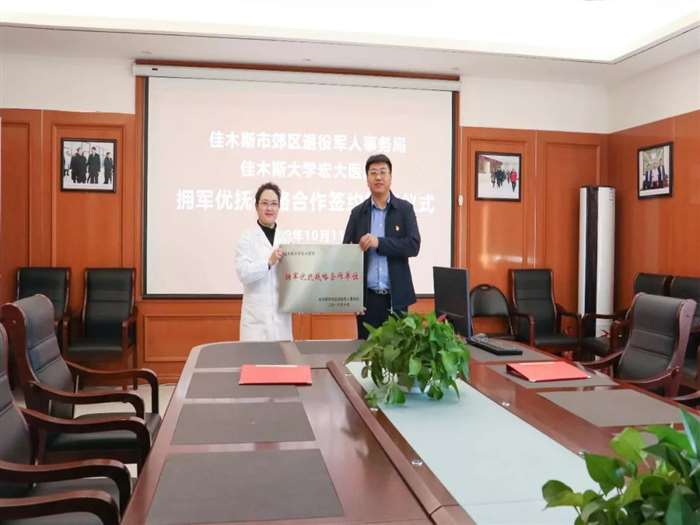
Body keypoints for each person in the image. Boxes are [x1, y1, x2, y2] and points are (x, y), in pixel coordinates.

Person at [343, 153, 421, 339]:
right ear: (367, 179)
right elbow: (346, 254)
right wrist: (352, 298)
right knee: (366, 352)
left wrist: (380, 242)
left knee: (398, 353)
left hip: (396, 300)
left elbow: (413, 245)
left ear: (390, 177)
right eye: (373, 173)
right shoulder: (357, 213)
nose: (378, 177)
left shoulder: (405, 209)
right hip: (367, 301)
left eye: (383, 172)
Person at [235, 182, 292, 342]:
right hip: (256, 323)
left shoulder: (286, 238)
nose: (269, 208)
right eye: (265, 203)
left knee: (282, 358)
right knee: (255, 358)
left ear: (279, 207)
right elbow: (244, 273)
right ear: (256, 206)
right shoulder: (246, 238)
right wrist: (268, 263)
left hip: (281, 321)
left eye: (274, 204)